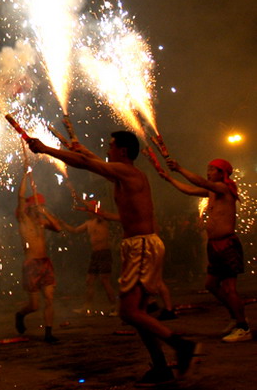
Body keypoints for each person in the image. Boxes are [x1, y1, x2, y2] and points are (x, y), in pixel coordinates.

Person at [27, 132, 199, 386]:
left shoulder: (129, 173)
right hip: (136, 247)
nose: (106, 149)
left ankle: (183, 347)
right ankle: (161, 367)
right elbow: (96, 164)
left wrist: (45, 149)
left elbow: (89, 165)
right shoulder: (121, 172)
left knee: (128, 311)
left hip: (142, 246)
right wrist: (82, 150)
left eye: (110, 146)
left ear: (123, 152)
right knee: (138, 313)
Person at [157, 157, 249, 342]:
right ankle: (236, 316)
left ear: (222, 173)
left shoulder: (224, 188)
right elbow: (190, 190)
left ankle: (243, 327)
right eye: (207, 169)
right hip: (214, 245)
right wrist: (169, 178)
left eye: (212, 169)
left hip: (227, 244)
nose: (208, 172)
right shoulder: (212, 191)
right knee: (211, 285)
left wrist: (180, 168)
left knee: (230, 288)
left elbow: (199, 182)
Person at [14, 172, 65, 343]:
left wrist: (45, 213)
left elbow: (58, 228)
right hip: (31, 265)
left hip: (45, 263)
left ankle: (48, 333)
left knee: (50, 298)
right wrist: (25, 176)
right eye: (37, 206)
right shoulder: (24, 220)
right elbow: (20, 197)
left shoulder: (41, 222)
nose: (39, 208)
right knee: (34, 305)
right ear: (30, 207)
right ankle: (21, 314)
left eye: (41, 206)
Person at [63, 200, 117, 316]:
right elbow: (75, 230)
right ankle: (86, 307)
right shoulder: (89, 223)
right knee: (90, 281)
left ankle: (114, 307)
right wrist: (62, 224)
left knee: (105, 280)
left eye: (89, 210)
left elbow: (97, 211)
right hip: (95, 254)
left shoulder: (101, 220)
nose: (87, 212)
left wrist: (81, 199)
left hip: (104, 253)